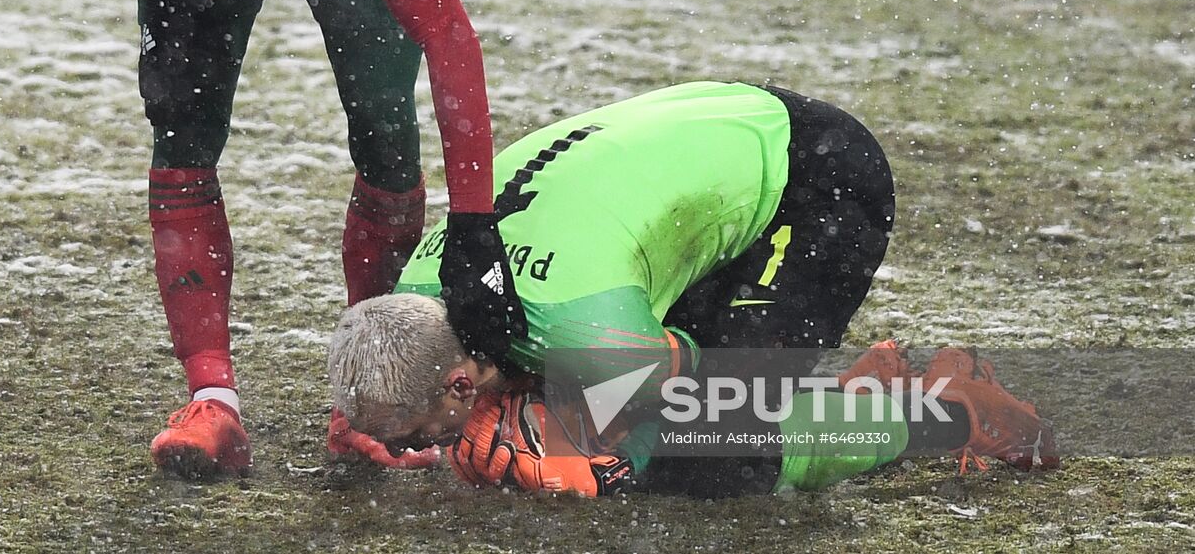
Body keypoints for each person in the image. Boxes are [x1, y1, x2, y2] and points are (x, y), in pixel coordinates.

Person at [68, 0, 525, 478]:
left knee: (384, 136)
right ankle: (212, 399)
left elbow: (452, 40)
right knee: (180, 130)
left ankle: (366, 407)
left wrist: (474, 223)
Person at [328, 81, 1057, 497]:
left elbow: (682, 392)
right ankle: (847, 393)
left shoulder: (585, 333)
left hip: (818, 180)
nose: (413, 450)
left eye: (414, 436)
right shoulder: (421, 285)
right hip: (713, 127)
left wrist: (579, 463)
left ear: (459, 382)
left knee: (718, 450)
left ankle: (949, 412)